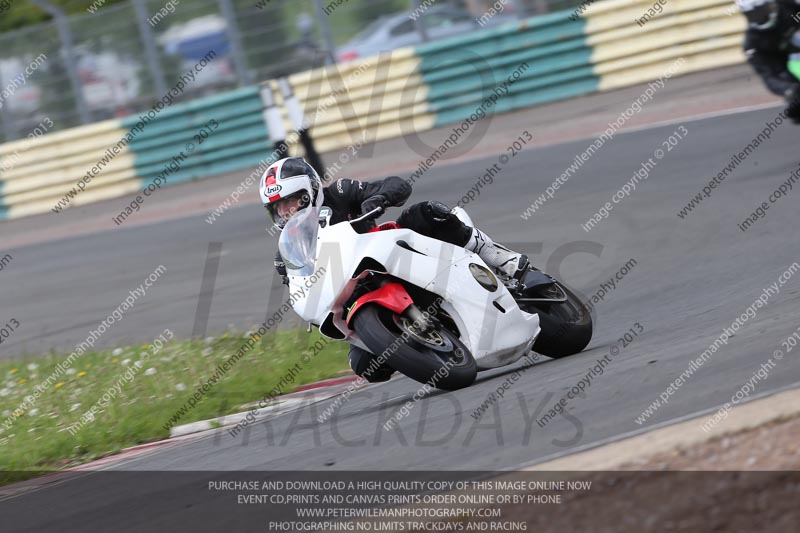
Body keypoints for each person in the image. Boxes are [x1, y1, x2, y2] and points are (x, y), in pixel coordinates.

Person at [260, 157, 529, 382]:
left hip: (391, 253)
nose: (287, 213)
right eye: (279, 209)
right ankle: (417, 347)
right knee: (364, 365)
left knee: (426, 212)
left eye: (292, 202)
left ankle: (495, 256)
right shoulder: (288, 252)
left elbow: (396, 185)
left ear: (311, 191)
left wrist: (376, 199)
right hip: (354, 293)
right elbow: (302, 289)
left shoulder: (339, 192)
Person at [736, 0, 800, 121]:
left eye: (760, 11)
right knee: (795, 107)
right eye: (752, 14)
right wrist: (789, 89)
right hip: (790, 68)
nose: (758, 17)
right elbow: (769, 76)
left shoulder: (788, 7)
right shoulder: (753, 44)